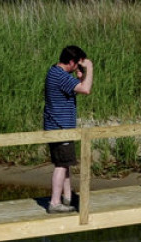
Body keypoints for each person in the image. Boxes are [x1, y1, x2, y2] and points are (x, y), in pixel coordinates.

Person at [43, 45, 93, 214]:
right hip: (61, 127)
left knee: (64, 164)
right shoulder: (60, 76)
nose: (79, 67)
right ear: (71, 62)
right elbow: (86, 89)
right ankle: (55, 202)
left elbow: (75, 87)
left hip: (55, 125)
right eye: (78, 64)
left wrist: (80, 76)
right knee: (61, 165)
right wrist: (90, 69)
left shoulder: (54, 72)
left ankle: (67, 197)